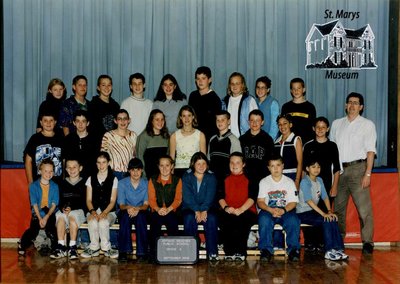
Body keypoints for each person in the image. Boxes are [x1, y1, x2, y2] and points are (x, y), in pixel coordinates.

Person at [330, 92, 377, 254]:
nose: (352, 106)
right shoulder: (336, 124)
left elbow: (371, 151)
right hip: (339, 171)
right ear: (345, 105)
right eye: (349, 102)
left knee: (364, 210)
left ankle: (368, 242)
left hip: (358, 169)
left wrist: (368, 174)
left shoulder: (367, 125)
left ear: (361, 107)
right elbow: (331, 150)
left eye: (356, 103)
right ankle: (338, 239)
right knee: (338, 210)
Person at [296, 157, 348, 261]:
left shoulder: (319, 180)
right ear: (307, 168)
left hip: (312, 211)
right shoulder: (305, 182)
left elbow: (325, 197)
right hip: (302, 213)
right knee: (326, 220)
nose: (316, 169)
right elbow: (309, 201)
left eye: (318, 167)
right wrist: (324, 214)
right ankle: (328, 251)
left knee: (333, 218)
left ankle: (338, 249)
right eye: (313, 167)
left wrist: (329, 211)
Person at [257, 154, 301, 262]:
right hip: (268, 209)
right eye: (272, 166)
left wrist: (284, 210)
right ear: (268, 168)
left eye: (278, 165)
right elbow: (260, 202)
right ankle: (266, 250)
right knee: (264, 220)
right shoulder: (264, 182)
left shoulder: (290, 182)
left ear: (283, 166)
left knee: (293, 220)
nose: (275, 168)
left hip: (285, 209)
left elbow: (293, 202)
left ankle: (293, 250)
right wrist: (270, 210)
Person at [218, 152, 257, 261]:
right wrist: (226, 208)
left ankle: (240, 252)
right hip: (229, 209)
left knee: (241, 221)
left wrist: (241, 209)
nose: (234, 165)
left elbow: (252, 197)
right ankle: (229, 252)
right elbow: (220, 197)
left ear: (243, 164)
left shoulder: (250, 178)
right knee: (226, 220)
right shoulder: (224, 178)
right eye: (232, 162)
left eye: (238, 162)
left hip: (247, 210)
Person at [182, 152, 219, 261]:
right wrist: (196, 210)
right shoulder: (187, 176)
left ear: (207, 165)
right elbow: (187, 196)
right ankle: (190, 252)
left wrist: (204, 210)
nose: (201, 166)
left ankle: (212, 253)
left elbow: (210, 196)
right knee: (189, 218)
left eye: (204, 163)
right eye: (198, 164)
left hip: (208, 207)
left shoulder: (211, 177)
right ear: (193, 164)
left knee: (211, 219)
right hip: (190, 207)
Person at [81, 152, 118, 259]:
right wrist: (92, 212)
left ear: (108, 163)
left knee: (103, 222)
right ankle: (94, 248)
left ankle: (106, 248)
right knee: (92, 222)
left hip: (109, 211)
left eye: (104, 162)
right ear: (96, 164)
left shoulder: (114, 179)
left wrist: (104, 213)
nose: (101, 166)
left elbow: (112, 201)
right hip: (93, 209)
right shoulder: (90, 179)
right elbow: (88, 200)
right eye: (99, 163)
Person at [18, 159, 59, 256]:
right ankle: (21, 244)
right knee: (33, 230)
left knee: (52, 230)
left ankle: (55, 248)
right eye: (46, 171)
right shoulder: (33, 186)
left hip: (49, 212)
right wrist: (40, 218)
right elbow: (34, 203)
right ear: (40, 171)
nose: (48, 174)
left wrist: (47, 216)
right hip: (38, 212)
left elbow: (54, 204)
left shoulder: (55, 186)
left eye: (51, 171)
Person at [50, 157, 87, 259]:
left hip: (78, 211)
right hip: (65, 210)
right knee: (60, 216)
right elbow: (59, 199)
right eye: (69, 168)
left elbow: (85, 202)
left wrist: (72, 208)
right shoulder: (62, 183)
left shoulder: (85, 183)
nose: (72, 170)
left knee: (72, 216)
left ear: (80, 168)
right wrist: (63, 207)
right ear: (66, 170)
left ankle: (72, 246)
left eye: (74, 167)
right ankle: (61, 246)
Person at [148, 155, 182, 260]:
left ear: (172, 166)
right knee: (154, 224)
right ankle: (154, 254)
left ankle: (173, 253)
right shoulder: (152, 180)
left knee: (173, 224)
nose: (164, 168)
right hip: (157, 211)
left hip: (171, 210)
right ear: (158, 167)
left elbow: (178, 200)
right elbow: (151, 199)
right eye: (161, 165)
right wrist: (158, 209)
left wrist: (168, 209)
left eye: (167, 165)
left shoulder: (177, 180)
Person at [117, 158, 149, 262]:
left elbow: (146, 205)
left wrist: (137, 209)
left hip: (141, 210)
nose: (136, 173)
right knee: (125, 218)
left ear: (142, 170)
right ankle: (123, 251)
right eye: (133, 170)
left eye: (138, 170)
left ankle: (142, 252)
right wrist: (130, 208)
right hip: (126, 210)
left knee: (141, 218)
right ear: (129, 171)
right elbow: (121, 205)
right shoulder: (122, 183)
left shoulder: (146, 183)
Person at [303, 117, 340, 205]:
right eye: (318, 127)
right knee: (310, 213)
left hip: (327, 185)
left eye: (323, 127)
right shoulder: (308, 146)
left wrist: (334, 187)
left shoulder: (332, 146)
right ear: (313, 128)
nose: (320, 129)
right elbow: (303, 169)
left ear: (327, 129)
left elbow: (337, 169)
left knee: (326, 212)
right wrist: (303, 185)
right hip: (311, 185)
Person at [239, 109, 274, 198]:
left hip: (262, 177)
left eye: (257, 121)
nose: (254, 123)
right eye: (252, 120)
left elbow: (271, 160)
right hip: (246, 177)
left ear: (262, 122)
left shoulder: (268, 139)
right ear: (248, 122)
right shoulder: (242, 139)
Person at [24, 110, 63, 185]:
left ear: (55, 122)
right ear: (41, 122)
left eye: (51, 120)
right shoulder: (35, 139)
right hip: (38, 183)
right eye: (45, 120)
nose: (48, 123)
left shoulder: (61, 139)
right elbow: (28, 161)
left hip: (57, 183)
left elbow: (64, 161)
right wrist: (30, 182)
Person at [169, 105, 206, 177]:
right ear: (180, 118)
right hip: (179, 171)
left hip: (195, 170)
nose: (186, 118)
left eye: (189, 115)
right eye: (184, 116)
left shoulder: (200, 135)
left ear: (193, 117)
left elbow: (203, 158)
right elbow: (172, 158)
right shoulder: (174, 136)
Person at [208, 110, 242, 190]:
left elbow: (237, 164)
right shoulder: (212, 139)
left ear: (229, 121)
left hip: (227, 179)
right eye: (218, 120)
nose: (220, 122)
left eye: (223, 120)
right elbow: (209, 160)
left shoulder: (234, 140)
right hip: (212, 179)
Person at [188, 66, 222, 144]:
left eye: (203, 78)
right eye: (198, 78)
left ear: (209, 80)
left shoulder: (215, 99)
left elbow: (215, 124)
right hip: (193, 136)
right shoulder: (193, 96)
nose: (200, 81)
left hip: (208, 138)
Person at [101, 109, 137, 180]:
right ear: (115, 121)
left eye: (125, 119)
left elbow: (135, 155)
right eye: (119, 119)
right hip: (114, 173)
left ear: (129, 120)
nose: (122, 121)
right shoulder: (108, 136)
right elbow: (103, 156)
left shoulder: (133, 135)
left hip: (129, 174)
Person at [63, 110, 98, 179]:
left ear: (88, 123)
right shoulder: (68, 139)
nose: (80, 124)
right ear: (74, 123)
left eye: (83, 121)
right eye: (78, 121)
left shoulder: (95, 140)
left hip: (90, 178)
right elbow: (64, 162)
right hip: (72, 178)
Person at [222, 72, 258, 138]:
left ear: (242, 85)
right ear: (229, 85)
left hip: (246, 139)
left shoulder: (249, 100)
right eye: (232, 84)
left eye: (237, 83)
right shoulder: (224, 102)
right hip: (229, 139)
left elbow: (256, 121)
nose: (234, 86)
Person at [136, 109, 169, 179]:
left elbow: (168, 158)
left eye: (162, 119)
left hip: (163, 176)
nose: (160, 122)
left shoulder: (166, 137)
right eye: (157, 119)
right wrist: (143, 175)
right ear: (151, 121)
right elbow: (139, 157)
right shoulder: (144, 137)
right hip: (148, 176)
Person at [281, 77, 316, 144]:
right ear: (291, 90)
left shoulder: (310, 107)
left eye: (298, 88)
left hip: (306, 143)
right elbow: (283, 127)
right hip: (289, 142)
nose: (296, 91)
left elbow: (312, 128)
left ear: (304, 89)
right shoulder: (286, 107)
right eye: (294, 89)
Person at [89, 75, 120, 148]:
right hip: (97, 145)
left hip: (113, 144)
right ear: (98, 88)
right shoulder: (93, 105)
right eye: (103, 85)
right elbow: (91, 129)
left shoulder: (115, 106)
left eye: (109, 85)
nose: (106, 88)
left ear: (111, 87)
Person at [274, 114, 303, 190]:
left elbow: (300, 163)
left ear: (290, 124)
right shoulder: (276, 142)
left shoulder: (296, 140)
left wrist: (297, 180)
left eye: (285, 123)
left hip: (292, 176)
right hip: (278, 177)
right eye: (279, 124)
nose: (282, 126)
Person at [254, 76, 280, 140]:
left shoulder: (273, 103)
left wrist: (269, 141)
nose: (260, 90)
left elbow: (275, 126)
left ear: (268, 90)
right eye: (258, 87)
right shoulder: (253, 102)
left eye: (263, 88)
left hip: (269, 140)